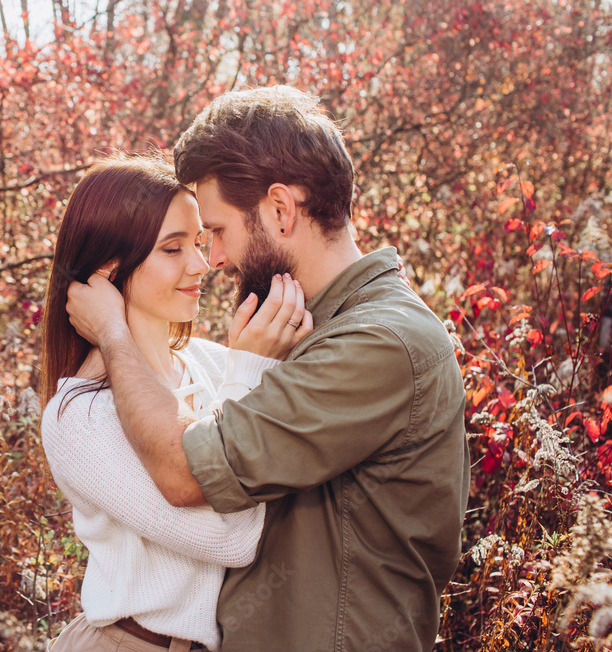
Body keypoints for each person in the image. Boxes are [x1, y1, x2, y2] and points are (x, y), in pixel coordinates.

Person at [65, 86, 471, 651]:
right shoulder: (310, 330)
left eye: (218, 231)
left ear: (280, 211)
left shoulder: (376, 344)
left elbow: (185, 472)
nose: (217, 259)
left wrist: (112, 333)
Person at [40, 154, 311, 652]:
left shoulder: (212, 364)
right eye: (172, 248)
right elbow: (232, 539)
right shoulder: (77, 416)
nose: (201, 264)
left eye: (199, 241)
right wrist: (252, 370)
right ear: (106, 269)